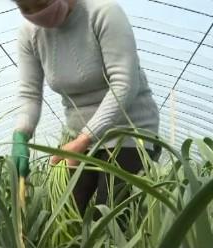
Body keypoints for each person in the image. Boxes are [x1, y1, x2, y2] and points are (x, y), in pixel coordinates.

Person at [10, 0, 161, 217]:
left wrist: (84, 139)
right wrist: (20, 135)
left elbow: (124, 84)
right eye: (27, 8)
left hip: (130, 134)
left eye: (42, 3)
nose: (37, 13)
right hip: (79, 138)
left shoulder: (104, 13)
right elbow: (29, 95)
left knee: (109, 215)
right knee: (62, 214)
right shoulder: (30, 34)